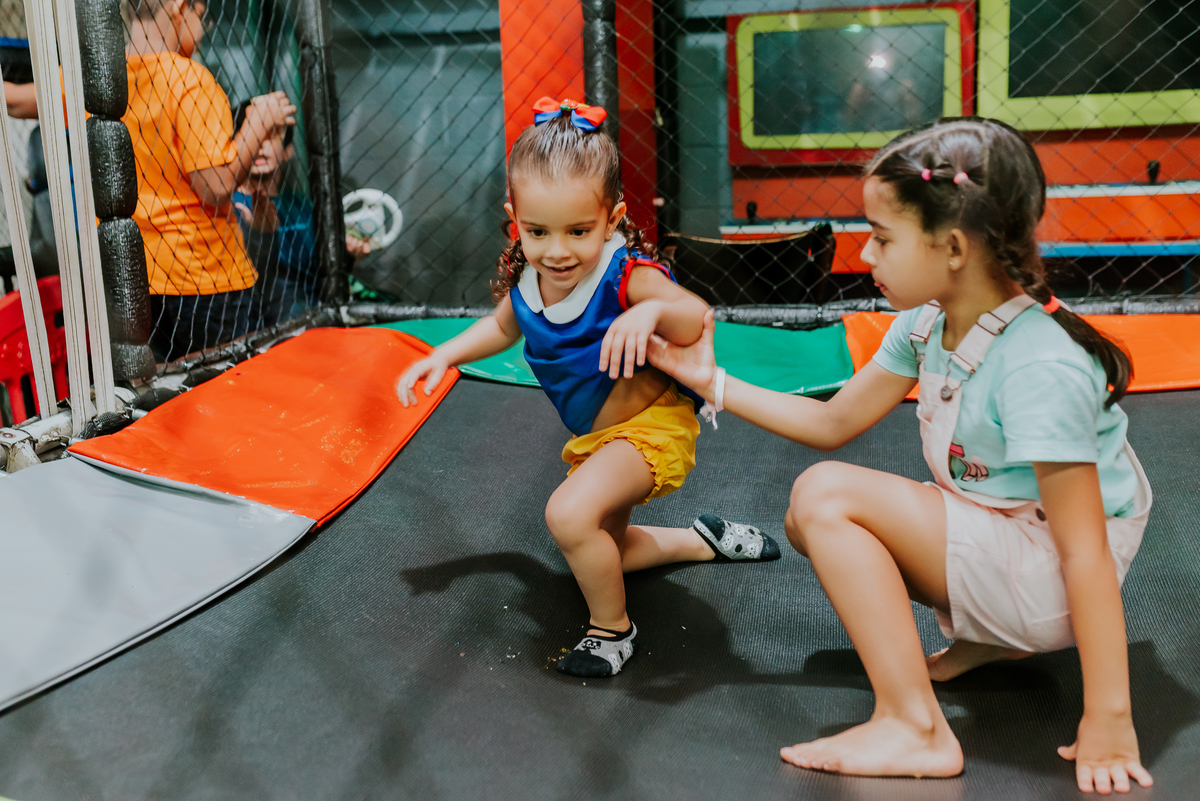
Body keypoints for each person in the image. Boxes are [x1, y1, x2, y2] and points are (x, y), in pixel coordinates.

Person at [647, 118, 1154, 792]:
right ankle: (993, 637)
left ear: (953, 247)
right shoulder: (928, 322)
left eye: (883, 237)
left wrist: (1110, 718)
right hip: (1016, 534)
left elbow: (1085, 553)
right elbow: (832, 421)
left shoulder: (1039, 367)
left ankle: (916, 726)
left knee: (826, 498)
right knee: (807, 516)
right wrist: (710, 381)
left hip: (1059, 575)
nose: (867, 252)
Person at [397, 97, 780, 678]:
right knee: (608, 551)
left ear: (613, 217)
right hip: (599, 439)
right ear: (515, 219)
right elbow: (502, 327)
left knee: (570, 516)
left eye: (579, 231)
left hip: (652, 428)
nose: (558, 251)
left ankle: (612, 632)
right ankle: (707, 541)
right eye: (537, 231)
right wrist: (443, 354)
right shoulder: (530, 280)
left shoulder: (626, 277)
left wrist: (649, 313)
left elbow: (693, 314)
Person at [4, 0, 296, 361]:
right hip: (205, 279)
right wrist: (257, 124)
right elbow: (217, 187)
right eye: (201, 18)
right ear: (179, 6)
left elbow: (12, 101)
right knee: (233, 384)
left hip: (132, 282)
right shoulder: (190, 80)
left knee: (161, 390)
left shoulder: (97, 80)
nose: (202, 32)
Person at [230, 100, 370, 327]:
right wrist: (258, 235)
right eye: (253, 134)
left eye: (271, 135)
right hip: (262, 324)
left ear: (288, 151)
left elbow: (320, 270)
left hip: (318, 318)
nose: (260, 145)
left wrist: (347, 253)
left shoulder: (301, 206)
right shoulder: (224, 208)